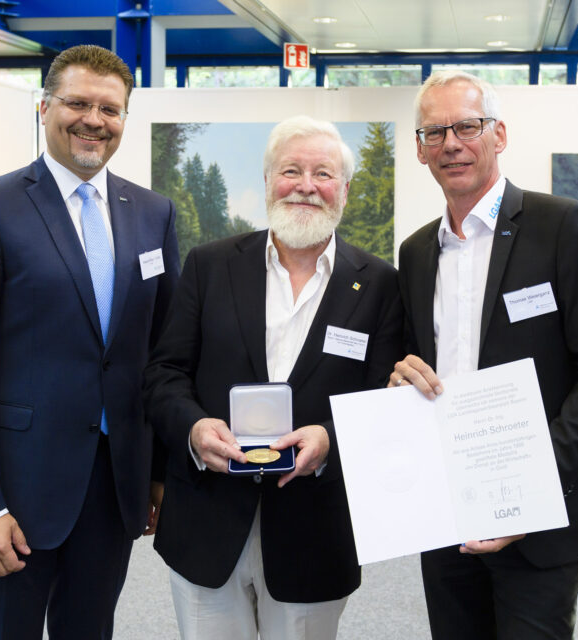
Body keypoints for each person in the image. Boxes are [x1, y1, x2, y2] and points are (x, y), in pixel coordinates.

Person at [0, 44, 180, 639]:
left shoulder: (152, 213)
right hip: (14, 492)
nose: (94, 119)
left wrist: (158, 474)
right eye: (78, 103)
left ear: (124, 119)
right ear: (44, 108)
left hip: (114, 488)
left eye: (110, 109)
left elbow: (161, 354)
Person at [392, 70, 578, 639]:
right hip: (448, 509)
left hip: (539, 514)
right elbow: (415, 365)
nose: (451, 142)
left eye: (467, 126)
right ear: (421, 150)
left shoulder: (562, 226)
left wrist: (528, 485)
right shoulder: (417, 252)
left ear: (498, 135)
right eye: (434, 132)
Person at [143, 115, 403, 640]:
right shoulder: (210, 266)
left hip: (315, 526)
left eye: (324, 174)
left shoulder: (379, 284)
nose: (306, 185)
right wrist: (194, 430)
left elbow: (385, 397)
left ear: (345, 191)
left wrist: (329, 438)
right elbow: (164, 374)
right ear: (267, 181)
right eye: (291, 170)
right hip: (208, 517)